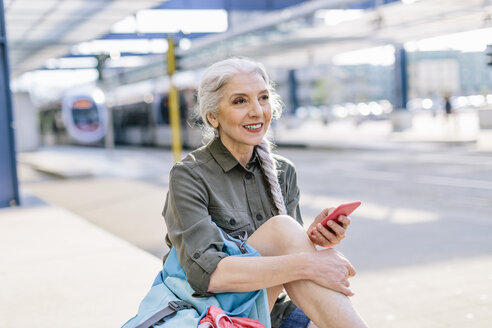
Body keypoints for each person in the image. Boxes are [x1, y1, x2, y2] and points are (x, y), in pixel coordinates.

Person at [162, 57, 368, 328]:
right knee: (283, 229)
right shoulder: (189, 175)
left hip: (272, 308)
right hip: (213, 314)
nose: (257, 111)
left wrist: (312, 239)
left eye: (263, 98)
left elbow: (287, 253)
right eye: (240, 101)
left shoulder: (283, 172)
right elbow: (209, 276)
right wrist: (309, 263)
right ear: (212, 116)